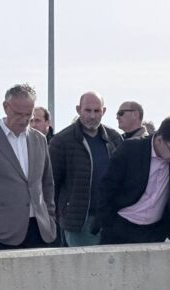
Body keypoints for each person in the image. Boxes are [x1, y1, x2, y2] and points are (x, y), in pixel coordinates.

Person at [0, 83, 58, 251]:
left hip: (39, 230)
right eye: (18, 113)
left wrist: (50, 218)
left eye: (28, 114)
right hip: (0, 234)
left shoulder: (39, 140)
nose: (24, 119)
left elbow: (47, 183)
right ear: (5, 107)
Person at [96, 115, 170, 245]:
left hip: (155, 232)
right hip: (120, 227)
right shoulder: (130, 149)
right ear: (159, 140)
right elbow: (106, 188)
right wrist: (107, 223)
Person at [49, 91, 123, 247]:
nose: (92, 116)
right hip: (79, 222)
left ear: (104, 111)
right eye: (87, 110)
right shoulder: (62, 141)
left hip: (111, 220)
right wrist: (60, 214)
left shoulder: (114, 138)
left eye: (97, 111)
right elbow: (51, 183)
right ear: (78, 110)